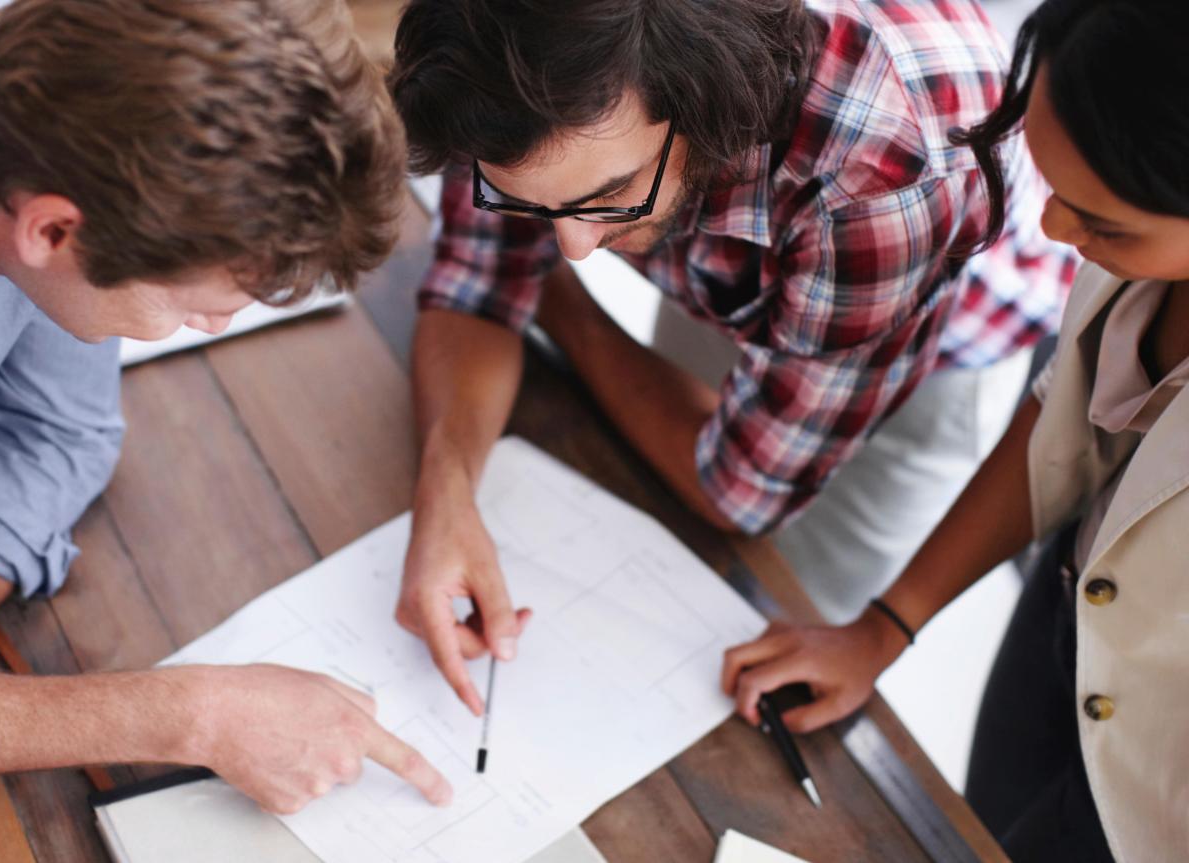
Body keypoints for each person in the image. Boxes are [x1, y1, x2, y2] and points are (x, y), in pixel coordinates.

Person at [0, 0, 449, 858]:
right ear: (51, 229)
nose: (212, 327)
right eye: (196, 303)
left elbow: (61, 432)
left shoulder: (73, 125)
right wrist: (195, 716)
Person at [386, 0, 1074, 716]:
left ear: (706, 98)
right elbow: (478, 284)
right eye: (534, 208)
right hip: (733, 259)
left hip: (933, 340)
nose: (575, 248)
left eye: (611, 195)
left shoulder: (889, 168)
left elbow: (741, 489)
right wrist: (445, 490)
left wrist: (563, 309)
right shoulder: (501, 44)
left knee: (780, 615)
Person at [722, 1, 1189, 858]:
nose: (1054, 232)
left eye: (1103, 223)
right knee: (983, 826)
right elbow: (1064, 415)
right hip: (1074, 611)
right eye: (1055, 191)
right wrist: (883, 627)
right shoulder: (1137, 235)